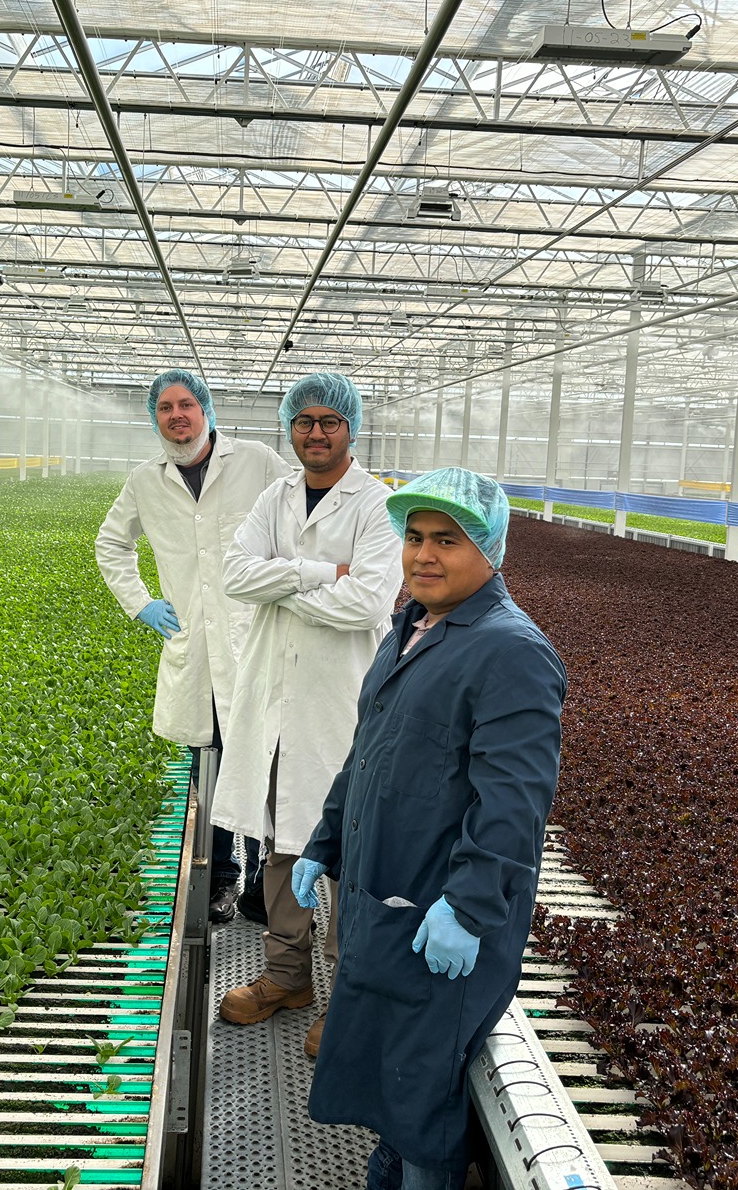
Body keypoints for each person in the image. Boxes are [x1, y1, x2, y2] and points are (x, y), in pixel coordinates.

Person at [292, 466, 567, 1190]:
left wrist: (468, 909)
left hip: (439, 920)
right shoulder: (408, 627)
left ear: (491, 549)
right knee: (391, 1083)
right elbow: (367, 753)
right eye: (413, 536)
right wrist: (324, 841)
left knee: (421, 1106)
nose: (423, 555)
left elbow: (513, 805)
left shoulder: (511, 652)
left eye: (446, 539)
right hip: (385, 898)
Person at [213, 373, 401, 1043]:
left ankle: (346, 996)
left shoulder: (378, 506)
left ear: (350, 428)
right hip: (274, 697)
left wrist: (278, 581)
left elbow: (368, 603)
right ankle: (286, 979)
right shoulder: (275, 495)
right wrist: (320, 572)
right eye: (304, 422)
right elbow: (235, 576)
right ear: (289, 429)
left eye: (329, 422)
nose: (315, 433)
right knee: (280, 842)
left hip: (340, 702)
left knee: (349, 848)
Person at [95, 369, 289, 923]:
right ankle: (223, 880)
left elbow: (300, 520)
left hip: (255, 642)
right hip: (197, 650)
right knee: (213, 770)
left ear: (206, 410)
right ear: (155, 417)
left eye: (186, 404)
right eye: (164, 407)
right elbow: (111, 543)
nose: (176, 415)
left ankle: (264, 883)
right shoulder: (144, 480)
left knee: (264, 763)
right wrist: (141, 603)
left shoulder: (257, 463)